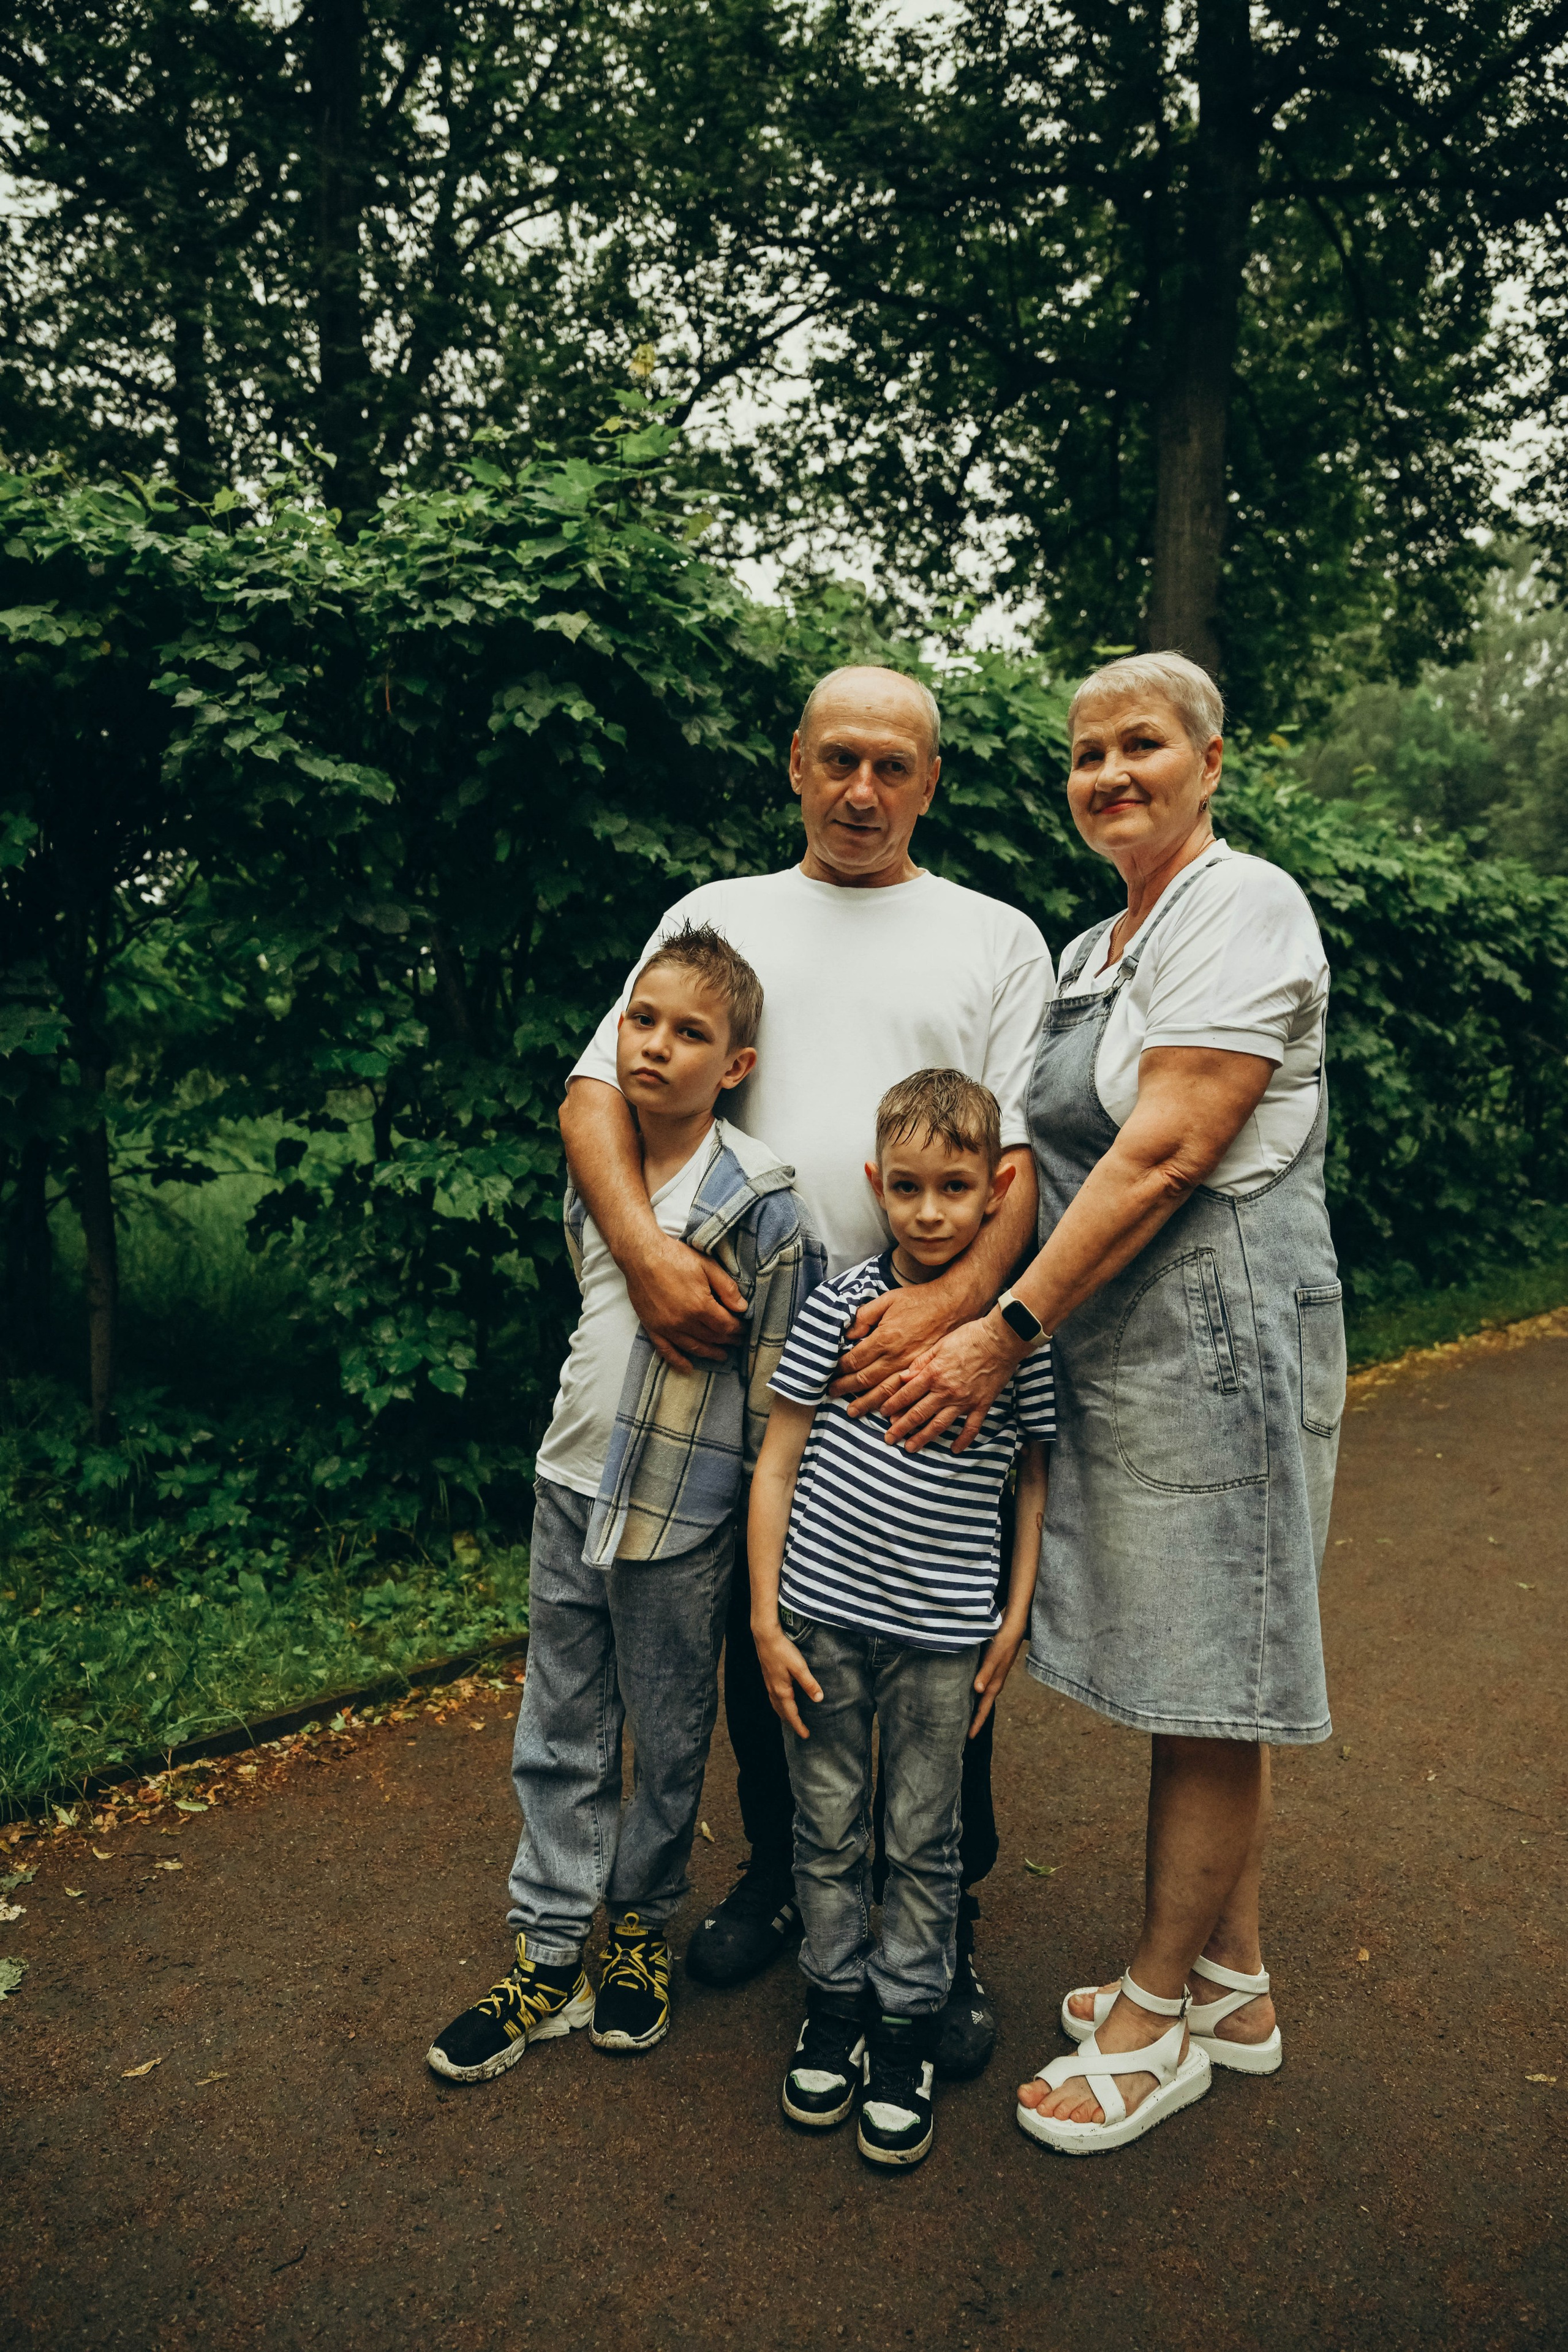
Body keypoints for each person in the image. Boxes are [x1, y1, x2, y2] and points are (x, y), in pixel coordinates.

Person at [862, 652, 1344, 2154]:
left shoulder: (1246, 902)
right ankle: (1235, 1981)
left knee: (1213, 1661)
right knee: (1194, 1659)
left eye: (1140, 744)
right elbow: (1033, 1165)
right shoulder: (1091, 945)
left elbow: (1163, 1153)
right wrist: (949, 1298)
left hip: (1219, 1320)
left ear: (1210, 762)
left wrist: (999, 1330)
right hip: (1123, 1328)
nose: (1108, 774)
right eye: (1084, 754)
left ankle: (1153, 2020)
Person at [559, 665, 1055, 2076]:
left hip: (913, 1351)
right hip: (729, 1331)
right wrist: (649, 1258)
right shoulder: (714, 919)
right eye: (837, 759)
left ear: (930, 782)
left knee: (928, 1634)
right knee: (761, 1628)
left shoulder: (992, 936)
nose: (861, 789)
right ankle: (785, 1872)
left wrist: (958, 1308)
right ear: (792, 762)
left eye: (893, 767)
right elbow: (595, 1088)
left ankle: (936, 1925)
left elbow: (1018, 1158)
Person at [426, 924, 822, 2082]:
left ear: (734, 1064)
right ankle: (548, 1954)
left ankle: (638, 1933)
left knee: (668, 1731)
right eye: (642, 1022)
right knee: (557, 1724)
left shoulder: (765, 1208)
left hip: (681, 1516)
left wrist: (763, 1555)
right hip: (566, 1484)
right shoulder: (595, 1177)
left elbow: (775, 1403)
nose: (656, 1046)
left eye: (690, 1032)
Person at [749, 1071, 1054, 2167]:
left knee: (923, 1838)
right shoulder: (838, 1304)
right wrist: (764, 1618)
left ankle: (903, 2028)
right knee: (826, 1827)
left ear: (995, 1192)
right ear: (878, 1186)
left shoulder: (1017, 1333)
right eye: (911, 1188)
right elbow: (778, 1456)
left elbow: (1032, 1476)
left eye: (956, 1189)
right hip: (821, 1620)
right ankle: (831, 2008)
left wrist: (1013, 1617)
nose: (931, 1212)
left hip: (944, 1637)